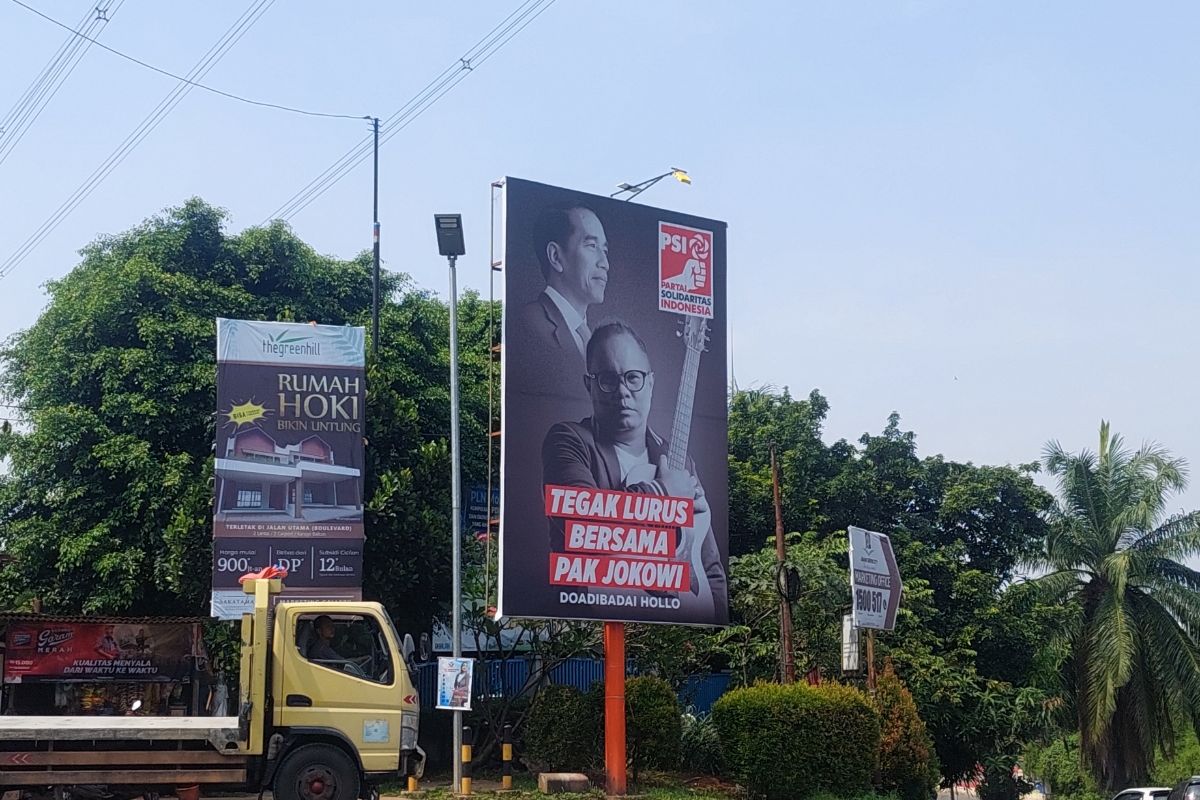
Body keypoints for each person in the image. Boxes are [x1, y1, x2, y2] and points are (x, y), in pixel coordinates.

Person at [541, 320, 727, 617]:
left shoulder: (678, 459)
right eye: (607, 379)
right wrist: (664, 492)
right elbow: (580, 524)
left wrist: (715, 622)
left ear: (650, 383)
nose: (622, 391)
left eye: (633, 377)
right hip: (591, 616)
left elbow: (709, 566)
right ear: (589, 385)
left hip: (682, 614)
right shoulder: (568, 439)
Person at [516, 205, 610, 385]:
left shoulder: (594, 337)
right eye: (591, 246)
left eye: (604, 250)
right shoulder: (529, 324)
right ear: (556, 257)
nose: (605, 263)